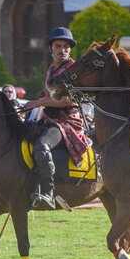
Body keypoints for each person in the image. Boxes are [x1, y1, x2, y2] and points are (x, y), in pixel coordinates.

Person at [23, 27, 90, 209]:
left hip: (67, 122)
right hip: (49, 119)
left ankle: (48, 193)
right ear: (51, 48)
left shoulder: (74, 70)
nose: (63, 50)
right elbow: (49, 98)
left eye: (66, 46)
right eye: (58, 45)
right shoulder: (50, 70)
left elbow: (66, 101)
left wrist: (38, 102)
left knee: (42, 146)